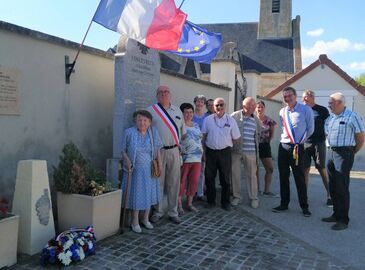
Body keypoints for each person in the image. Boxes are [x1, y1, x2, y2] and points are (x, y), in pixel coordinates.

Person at [322, 92, 364, 230]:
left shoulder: (352, 117)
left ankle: (343, 220)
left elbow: (360, 138)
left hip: (344, 153)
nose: (328, 105)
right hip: (331, 152)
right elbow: (327, 135)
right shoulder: (330, 118)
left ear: (339, 103)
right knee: (332, 185)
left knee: (341, 187)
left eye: (331, 103)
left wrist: (351, 153)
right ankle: (335, 214)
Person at [272, 87, 314, 217]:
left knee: (299, 178)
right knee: (283, 177)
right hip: (283, 146)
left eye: (289, 96)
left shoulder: (306, 110)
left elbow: (310, 129)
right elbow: (284, 128)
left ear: (295, 96)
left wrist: (300, 142)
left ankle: (304, 207)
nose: (287, 98)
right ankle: (284, 204)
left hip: (297, 148)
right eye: (285, 97)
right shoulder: (282, 111)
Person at [147, 85, 186, 224]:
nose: (163, 94)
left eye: (166, 92)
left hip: (175, 150)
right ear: (157, 95)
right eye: (160, 92)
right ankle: (158, 211)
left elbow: (182, 132)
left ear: (170, 94)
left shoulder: (177, 111)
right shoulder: (151, 111)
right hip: (158, 152)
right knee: (158, 182)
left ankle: (173, 212)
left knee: (174, 182)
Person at [121, 110, 162, 233]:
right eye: (139, 119)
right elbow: (122, 150)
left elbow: (158, 150)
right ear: (135, 121)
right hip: (135, 170)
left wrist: (159, 165)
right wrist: (127, 161)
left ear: (149, 122)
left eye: (145, 120)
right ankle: (135, 221)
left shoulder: (153, 132)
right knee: (137, 195)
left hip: (149, 169)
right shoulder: (129, 132)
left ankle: (145, 219)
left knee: (148, 194)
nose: (142, 122)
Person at [202, 97, 240, 210]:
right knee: (209, 178)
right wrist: (203, 152)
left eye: (221, 105)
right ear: (213, 107)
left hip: (225, 152)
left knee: (225, 179)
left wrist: (227, 143)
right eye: (216, 105)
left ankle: (225, 202)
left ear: (225, 105)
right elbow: (203, 137)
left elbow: (236, 138)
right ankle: (211, 202)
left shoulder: (231, 120)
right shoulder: (208, 120)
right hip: (210, 152)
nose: (219, 107)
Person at [301, 90, 332, 206]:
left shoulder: (322, 110)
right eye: (302, 98)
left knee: (321, 168)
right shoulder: (302, 110)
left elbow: (329, 125)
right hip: (305, 143)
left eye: (305, 97)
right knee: (305, 170)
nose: (303, 100)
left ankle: (330, 195)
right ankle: (304, 196)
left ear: (312, 97)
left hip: (319, 143)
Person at [231, 97, 261, 208]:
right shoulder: (234, 116)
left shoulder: (256, 119)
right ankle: (237, 197)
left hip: (251, 151)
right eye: (251, 106)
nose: (254, 108)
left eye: (254, 105)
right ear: (244, 106)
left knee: (252, 175)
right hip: (236, 151)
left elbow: (258, 134)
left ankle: (253, 198)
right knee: (235, 175)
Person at [178, 103, 203, 214]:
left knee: (194, 181)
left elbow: (200, 139)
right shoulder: (180, 125)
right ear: (182, 113)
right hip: (185, 158)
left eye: (190, 112)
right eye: (186, 112)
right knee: (182, 181)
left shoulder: (196, 125)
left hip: (197, 158)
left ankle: (189, 203)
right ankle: (179, 205)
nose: (189, 114)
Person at [255, 100, 277, 197]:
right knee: (255, 170)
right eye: (258, 107)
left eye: (261, 107)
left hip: (264, 146)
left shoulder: (269, 120)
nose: (260, 109)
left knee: (270, 169)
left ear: (264, 108)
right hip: (253, 146)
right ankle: (256, 190)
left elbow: (272, 134)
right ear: (255, 108)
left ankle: (266, 191)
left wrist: (266, 141)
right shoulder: (252, 119)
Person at [192, 95, 208, 201]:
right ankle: (191, 193)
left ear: (204, 104)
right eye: (198, 101)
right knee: (190, 171)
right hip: (190, 147)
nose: (199, 104)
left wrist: (204, 150)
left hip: (202, 147)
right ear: (195, 102)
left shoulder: (206, 118)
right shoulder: (190, 115)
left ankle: (200, 193)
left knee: (201, 171)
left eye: (202, 102)